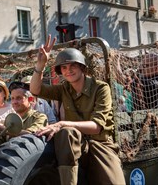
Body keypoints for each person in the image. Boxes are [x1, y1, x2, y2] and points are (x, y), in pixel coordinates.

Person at [30, 36, 125, 185]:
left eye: (73, 65)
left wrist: (62, 123)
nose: (68, 71)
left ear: (82, 67)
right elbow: (35, 90)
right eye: (64, 67)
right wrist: (40, 65)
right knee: (66, 133)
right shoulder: (64, 89)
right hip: (74, 145)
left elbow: (96, 127)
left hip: (100, 144)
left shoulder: (100, 88)